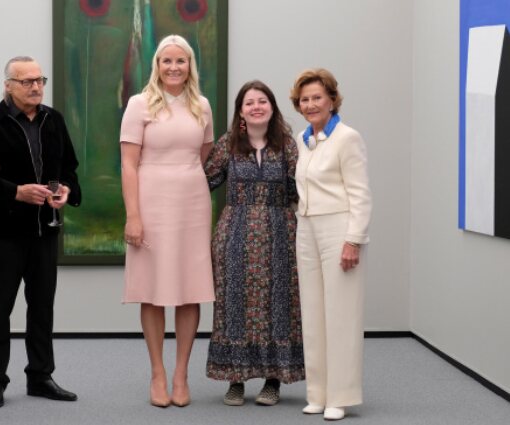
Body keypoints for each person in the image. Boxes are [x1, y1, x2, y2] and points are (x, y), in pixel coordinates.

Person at [0, 56, 81, 408]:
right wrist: (16, 192)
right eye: (27, 81)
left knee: (42, 307)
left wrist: (66, 189)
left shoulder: (54, 119)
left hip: (45, 231)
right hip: (6, 231)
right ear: (8, 85)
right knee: (0, 308)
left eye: (40, 80)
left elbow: (69, 167)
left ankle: (40, 376)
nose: (36, 87)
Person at [120, 34, 215, 408]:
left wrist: (184, 179)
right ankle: (157, 372)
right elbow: (128, 163)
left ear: (190, 65)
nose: (174, 67)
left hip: (192, 202)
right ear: (156, 65)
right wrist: (134, 215)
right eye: (166, 61)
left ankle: (181, 374)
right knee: (153, 288)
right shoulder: (139, 104)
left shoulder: (201, 106)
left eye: (181, 61)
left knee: (190, 288)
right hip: (150, 200)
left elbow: (203, 153)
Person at [204, 80, 305, 406]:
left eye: (263, 101)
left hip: (279, 233)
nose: (256, 106)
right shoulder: (227, 144)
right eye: (250, 102)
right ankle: (235, 380)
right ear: (241, 111)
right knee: (232, 303)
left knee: (279, 307)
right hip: (235, 234)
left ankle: (273, 381)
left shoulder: (288, 145)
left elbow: (301, 189)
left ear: (273, 108)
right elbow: (203, 181)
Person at [289, 68, 372, 421]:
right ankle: (318, 393)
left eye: (317, 98)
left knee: (341, 316)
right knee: (312, 314)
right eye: (304, 99)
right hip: (305, 229)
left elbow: (361, 194)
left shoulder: (347, 137)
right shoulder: (302, 139)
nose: (310, 104)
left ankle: (340, 395)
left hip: (339, 229)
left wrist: (353, 240)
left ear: (332, 100)